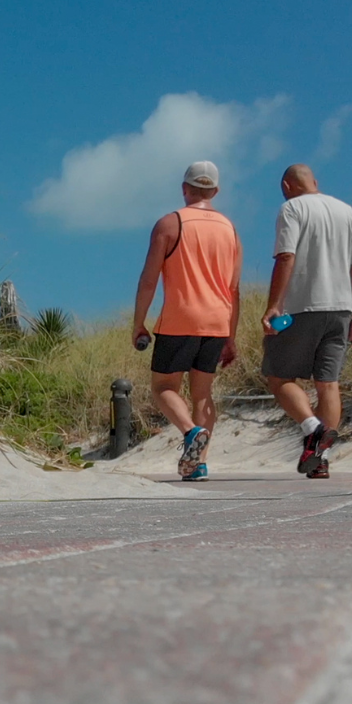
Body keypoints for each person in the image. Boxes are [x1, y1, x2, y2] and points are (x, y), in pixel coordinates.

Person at [131, 161, 243, 481]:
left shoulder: (169, 224)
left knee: (164, 386)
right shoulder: (230, 230)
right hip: (218, 320)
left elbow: (149, 279)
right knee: (202, 393)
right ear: (215, 191)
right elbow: (234, 290)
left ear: (185, 189)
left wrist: (139, 322)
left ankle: (191, 432)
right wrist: (231, 336)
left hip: (181, 318)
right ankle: (199, 464)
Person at [261, 164, 352, 478]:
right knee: (328, 384)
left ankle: (311, 428)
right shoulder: (347, 211)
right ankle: (321, 460)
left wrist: (273, 306)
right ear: (315, 182)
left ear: (286, 185)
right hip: (341, 309)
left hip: (300, 308)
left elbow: (286, 256)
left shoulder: (291, 208)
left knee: (278, 376)